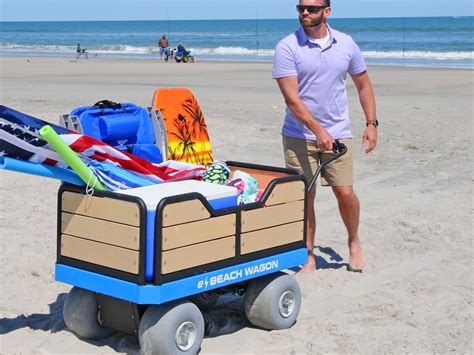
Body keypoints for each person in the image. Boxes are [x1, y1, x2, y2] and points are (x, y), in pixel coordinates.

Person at [272, 0, 378, 272]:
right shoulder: (287, 46)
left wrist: (371, 123)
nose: (305, 12)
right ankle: (308, 252)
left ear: (327, 11)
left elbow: (363, 84)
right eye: (300, 8)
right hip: (298, 135)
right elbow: (292, 100)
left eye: (312, 8)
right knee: (305, 195)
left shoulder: (346, 44)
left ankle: (354, 241)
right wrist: (318, 130)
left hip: (339, 134)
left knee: (345, 193)